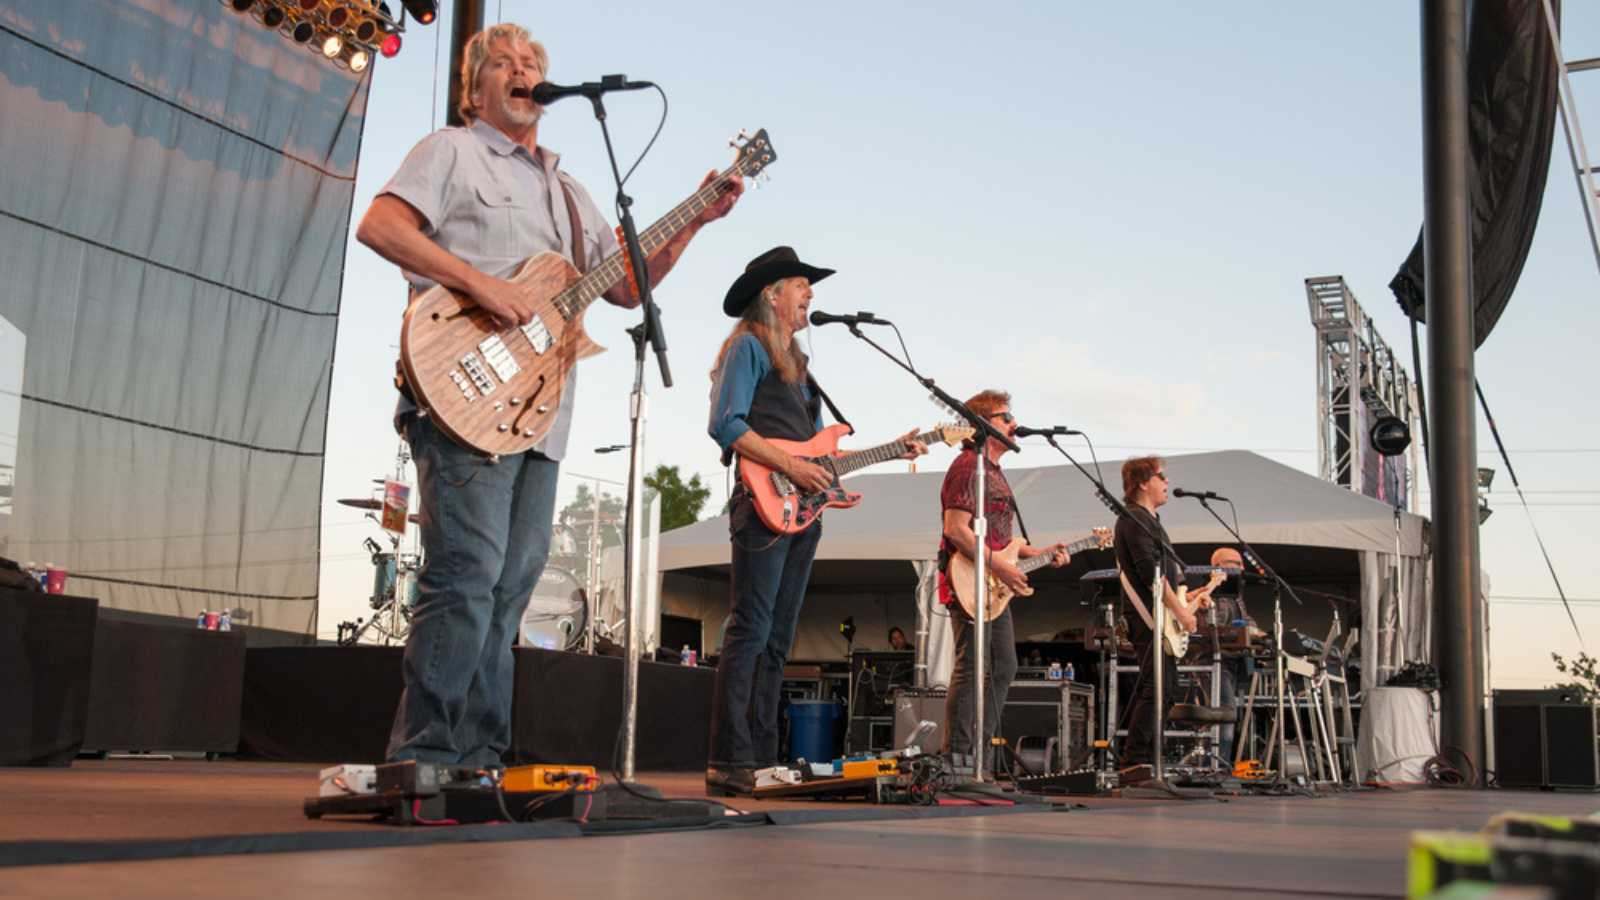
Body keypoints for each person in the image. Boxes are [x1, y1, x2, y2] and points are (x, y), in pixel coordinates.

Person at [356, 23, 743, 768]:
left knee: (509, 592)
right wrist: (480, 284)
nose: (522, 70)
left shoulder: (569, 193)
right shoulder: (452, 152)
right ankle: (424, 756)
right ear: (476, 89)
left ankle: (480, 758)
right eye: (503, 63)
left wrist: (695, 214)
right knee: (465, 577)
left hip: (540, 414)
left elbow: (628, 284)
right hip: (462, 396)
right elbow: (382, 225)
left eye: (532, 63)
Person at [705, 247, 926, 795]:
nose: (810, 295)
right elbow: (725, 425)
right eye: (801, 285)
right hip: (761, 503)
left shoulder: (801, 368)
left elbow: (821, 453)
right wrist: (791, 468)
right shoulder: (747, 347)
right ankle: (727, 758)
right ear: (772, 294)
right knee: (750, 630)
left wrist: (891, 452)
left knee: (779, 639)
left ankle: (760, 756)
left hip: (801, 513)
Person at [936, 390, 1068, 772]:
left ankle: (979, 754)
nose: (1014, 423)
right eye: (1005, 416)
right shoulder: (967, 466)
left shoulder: (995, 473)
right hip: (970, 579)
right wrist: (1000, 566)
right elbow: (956, 531)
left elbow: (1000, 541)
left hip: (992, 581)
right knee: (973, 666)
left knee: (1004, 666)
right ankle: (957, 757)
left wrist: (1039, 553)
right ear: (980, 425)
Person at [1113, 455, 1204, 776]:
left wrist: (1188, 599)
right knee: (1157, 686)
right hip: (1146, 616)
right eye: (1161, 476)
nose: (1167, 483)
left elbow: (1165, 575)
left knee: (1162, 686)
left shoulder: (1151, 521)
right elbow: (1150, 573)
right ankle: (1134, 760)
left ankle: (1143, 757)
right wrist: (1181, 611)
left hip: (1160, 615)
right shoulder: (1133, 519)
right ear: (1142, 482)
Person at [1201, 546, 1259, 762]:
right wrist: (1246, 630)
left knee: (1226, 716)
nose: (1241, 568)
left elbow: (1245, 619)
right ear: (1217, 567)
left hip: (1230, 661)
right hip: (1214, 662)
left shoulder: (1235, 594)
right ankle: (1216, 767)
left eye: (1240, 564)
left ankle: (1217, 766)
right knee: (1225, 716)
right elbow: (1218, 626)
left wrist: (1256, 631)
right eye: (1235, 563)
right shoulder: (1214, 593)